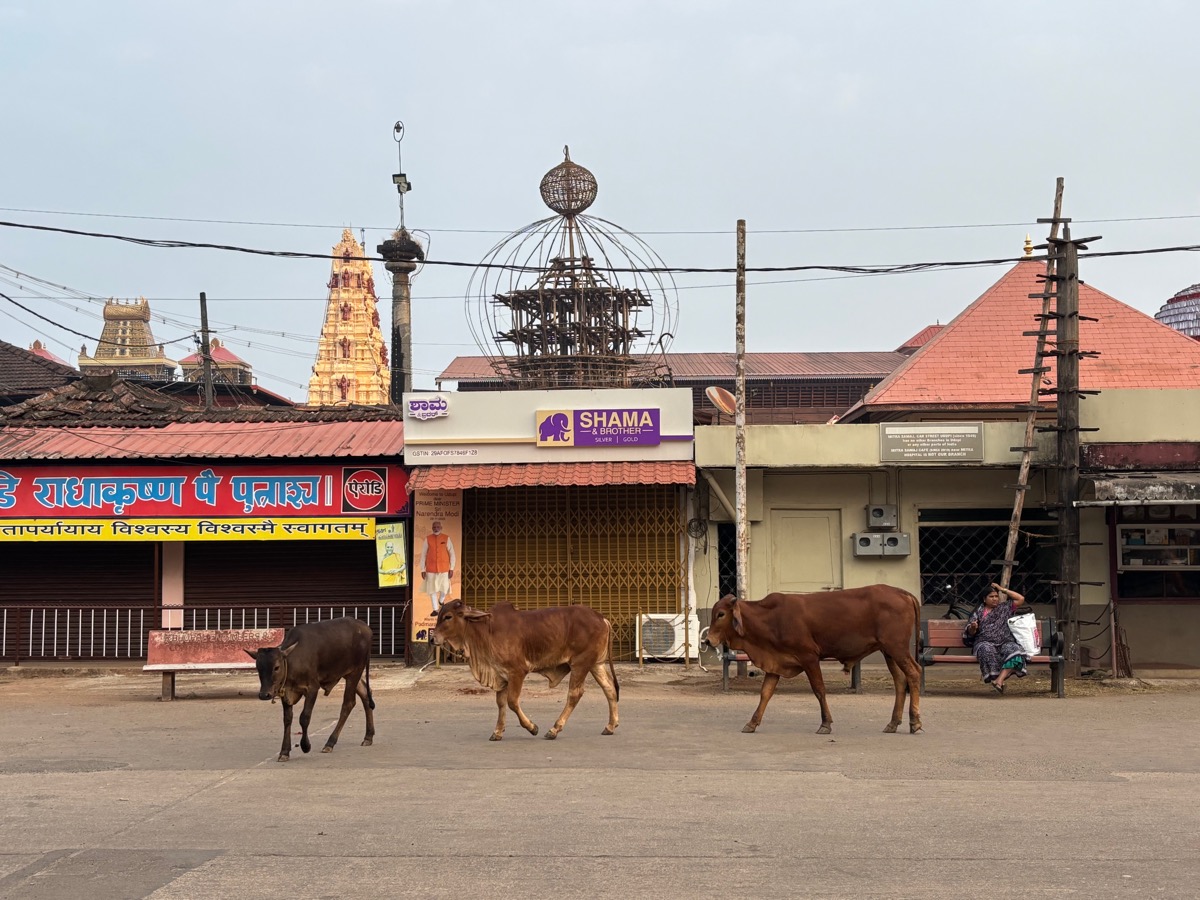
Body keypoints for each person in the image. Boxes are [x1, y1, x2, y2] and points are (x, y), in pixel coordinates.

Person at [963, 582, 1027, 693]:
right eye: (991, 597)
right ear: (984, 599)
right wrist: (973, 627)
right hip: (985, 641)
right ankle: (998, 680)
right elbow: (971, 632)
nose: (995, 599)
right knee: (985, 650)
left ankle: (999, 680)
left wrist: (1002, 589)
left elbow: (1021, 599)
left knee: (1015, 651)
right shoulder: (978, 612)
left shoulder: (1005, 607)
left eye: (996, 596)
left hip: (1005, 641)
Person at [419, 520, 456, 615]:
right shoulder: (428, 539)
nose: (436, 529)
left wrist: (451, 568)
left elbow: (452, 553)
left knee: (445, 588)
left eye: (437, 527)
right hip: (431, 569)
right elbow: (423, 555)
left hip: (444, 568)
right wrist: (422, 569)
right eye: (434, 527)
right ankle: (435, 609)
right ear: (432, 528)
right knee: (432, 590)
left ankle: (441, 600)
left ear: (441, 528)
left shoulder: (446, 538)